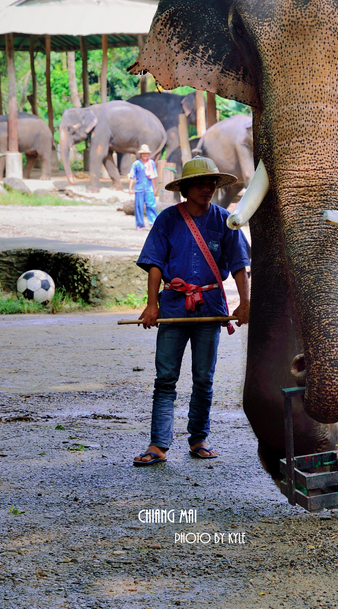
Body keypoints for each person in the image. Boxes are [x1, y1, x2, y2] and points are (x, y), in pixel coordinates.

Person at [133, 155, 251, 466]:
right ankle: (158, 445)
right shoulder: (167, 220)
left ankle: (199, 439)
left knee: (204, 378)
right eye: (200, 183)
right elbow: (155, 264)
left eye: (211, 182)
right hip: (173, 307)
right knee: (166, 378)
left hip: (210, 307)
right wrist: (152, 304)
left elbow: (240, 266)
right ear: (185, 188)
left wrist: (245, 302)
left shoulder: (227, 221)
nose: (207, 188)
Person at [128, 144, 159, 230]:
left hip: (149, 188)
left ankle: (153, 223)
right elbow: (132, 176)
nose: (145, 155)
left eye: (146, 153)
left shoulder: (151, 163)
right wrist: (130, 188)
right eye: (143, 153)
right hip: (139, 188)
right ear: (141, 154)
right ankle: (139, 224)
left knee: (151, 206)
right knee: (139, 207)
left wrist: (154, 188)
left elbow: (153, 176)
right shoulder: (136, 164)